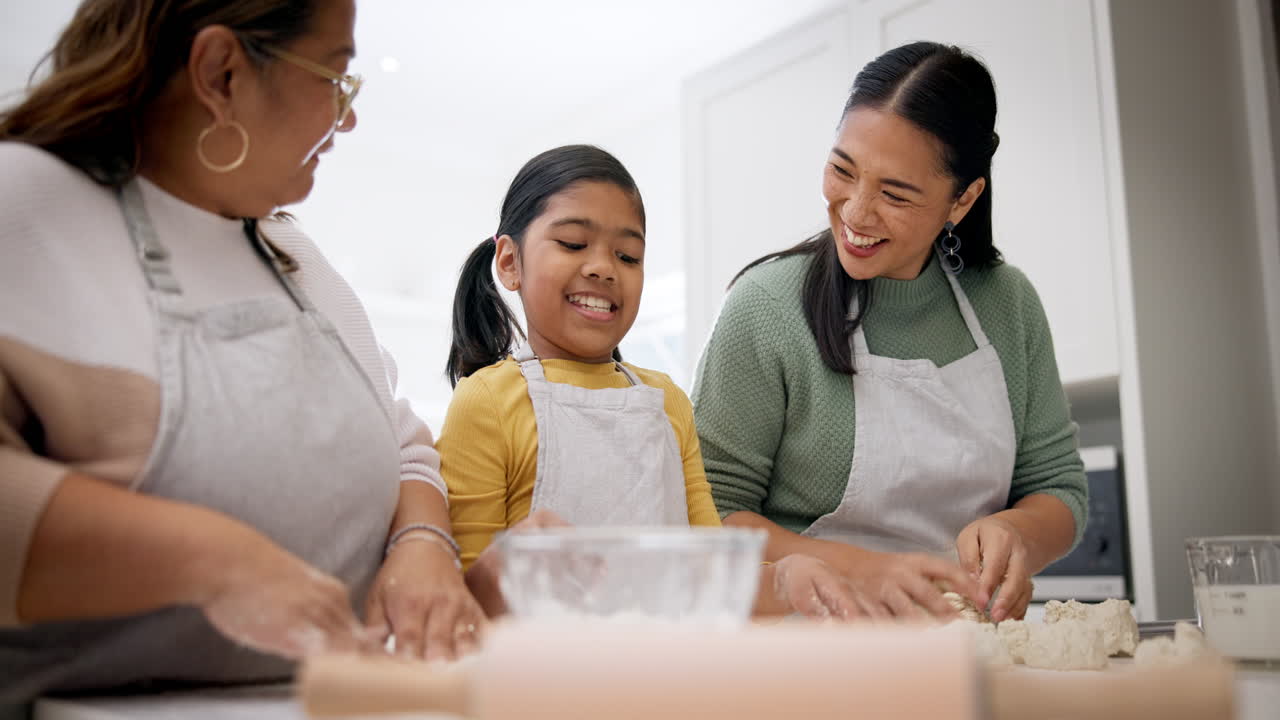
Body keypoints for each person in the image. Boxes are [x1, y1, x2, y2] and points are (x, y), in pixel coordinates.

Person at [0, 0, 482, 705]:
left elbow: (406, 448)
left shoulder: (297, 257)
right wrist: (215, 563)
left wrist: (422, 546)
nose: (346, 118)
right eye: (335, 78)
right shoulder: (26, 204)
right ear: (221, 73)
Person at [691, 42, 1087, 624]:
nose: (855, 212)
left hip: (966, 649)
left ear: (963, 199)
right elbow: (710, 516)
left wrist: (1017, 535)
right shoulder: (765, 307)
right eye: (842, 170)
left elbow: (1061, 488)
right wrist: (863, 569)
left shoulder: (1008, 303)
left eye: (896, 194)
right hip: (805, 655)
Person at [438, 144, 862, 619]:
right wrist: (515, 563)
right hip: (543, 680)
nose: (603, 267)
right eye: (574, 244)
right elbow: (458, 601)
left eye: (628, 255)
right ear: (510, 263)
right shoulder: (486, 402)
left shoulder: (666, 402)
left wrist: (784, 579)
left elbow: (710, 573)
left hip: (665, 672)